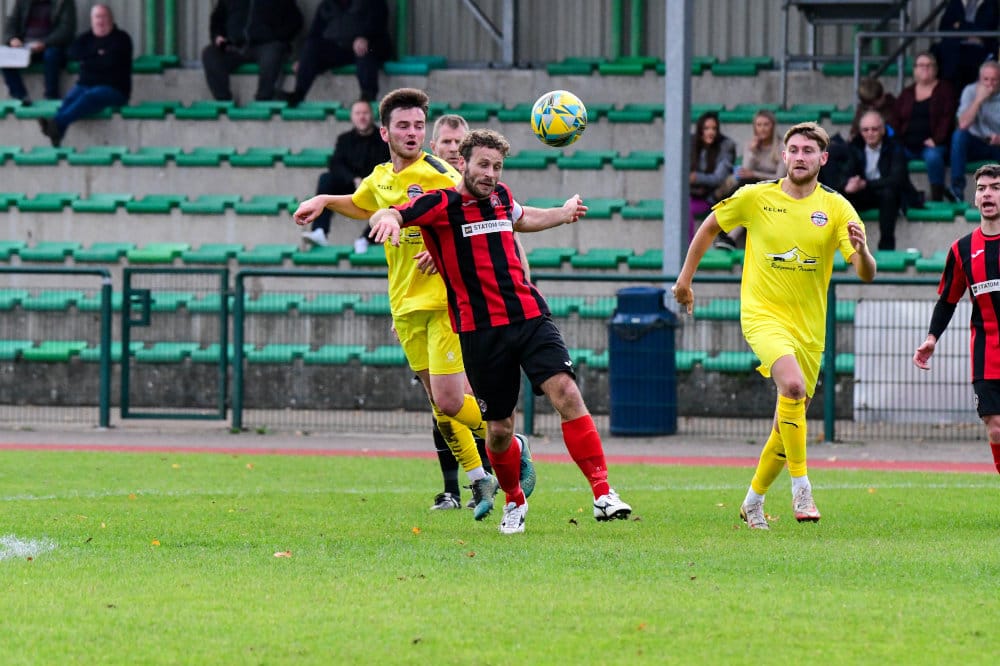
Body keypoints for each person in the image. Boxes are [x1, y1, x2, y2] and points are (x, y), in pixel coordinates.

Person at [369, 129, 634, 535]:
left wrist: (563, 213)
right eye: (483, 165)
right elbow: (392, 213)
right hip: (480, 331)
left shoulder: (501, 197)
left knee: (566, 392)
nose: (491, 174)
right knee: (499, 430)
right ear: (463, 163)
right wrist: (386, 218)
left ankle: (603, 493)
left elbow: (524, 217)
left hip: (529, 316)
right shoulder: (440, 203)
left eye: (497, 166)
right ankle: (514, 498)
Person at [292, 88, 534, 522]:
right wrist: (324, 200)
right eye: (403, 125)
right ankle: (478, 476)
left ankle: (510, 440)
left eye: (419, 125)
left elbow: (482, 214)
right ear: (385, 132)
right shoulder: (381, 176)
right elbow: (362, 204)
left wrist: (445, 249)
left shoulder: (440, 173)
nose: (413, 133)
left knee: (449, 398)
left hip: (443, 301)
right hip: (403, 304)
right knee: (438, 403)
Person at [672, 122, 877, 530]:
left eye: (808, 151)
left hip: (809, 328)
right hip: (762, 315)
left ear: (823, 158)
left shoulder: (837, 208)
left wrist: (863, 251)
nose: (800, 156)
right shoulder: (756, 196)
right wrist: (684, 280)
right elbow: (710, 227)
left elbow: (865, 272)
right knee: (794, 388)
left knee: (787, 423)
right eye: (793, 150)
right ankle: (802, 488)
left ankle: (753, 502)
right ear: (783, 156)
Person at [914, 163, 1000, 477]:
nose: (988, 194)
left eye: (996, 188)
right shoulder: (962, 249)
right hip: (986, 353)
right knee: (995, 427)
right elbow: (948, 300)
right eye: (982, 189)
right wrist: (931, 338)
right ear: (974, 199)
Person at [37, 3, 130, 148]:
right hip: (85, 85)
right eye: (97, 17)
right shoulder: (86, 38)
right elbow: (72, 53)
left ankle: (56, 125)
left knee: (90, 96)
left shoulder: (121, 39)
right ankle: (57, 133)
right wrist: (96, 54)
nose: (100, 21)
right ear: (92, 20)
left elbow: (109, 63)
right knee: (70, 98)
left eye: (104, 17)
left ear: (111, 19)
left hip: (114, 89)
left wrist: (88, 59)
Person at [301, 99, 390, 249]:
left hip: (374, 188)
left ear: (372, 115)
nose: (362, 117)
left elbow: (387, 166)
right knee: (326, 179)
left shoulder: (384, 140)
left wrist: (367, 182)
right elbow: (335, 164)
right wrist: (353, 179)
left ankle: (366, 239)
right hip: (350, 187)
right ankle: (320, 231)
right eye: (358, 113)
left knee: (391, 191)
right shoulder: (344, 139)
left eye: (365, 113)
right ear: (352, 117)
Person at [279, 0, 392, 107]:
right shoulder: (326, 5)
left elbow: (379, 24)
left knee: (365, 51)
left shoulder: (372, 2)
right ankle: (298, 94)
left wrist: (365, 38)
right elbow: (314, 35)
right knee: (312, 47)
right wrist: (303, 60)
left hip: (369, 47)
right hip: (338, 50)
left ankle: (367, 96)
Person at [202, 0, 303, 102]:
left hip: (266, 45)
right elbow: (217, 19)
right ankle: (224, 101)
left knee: (272, 53)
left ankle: (264, 98)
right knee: (210, 53)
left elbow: (295, 21)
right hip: (233, 46)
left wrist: (276, 37)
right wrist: (218, 36)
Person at [716, 108, 787, 250]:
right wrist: (752, 152)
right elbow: (745, 171)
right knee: (748, 191)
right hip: (752, 189)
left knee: (749, 192)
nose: (762, 129)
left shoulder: (782, 146)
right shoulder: (750, 145)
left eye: (766, 124)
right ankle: (729, 237)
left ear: (773, 126)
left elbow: (780, 178)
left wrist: (755, 174)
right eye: (759, 125)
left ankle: (729, 235)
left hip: (775, 189)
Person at [842, 110, 912, 251]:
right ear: (860, 132)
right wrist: (849, 184)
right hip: (864, 192)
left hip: (887, 194)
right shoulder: (854, 147)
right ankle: (847, 247)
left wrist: (866, 184)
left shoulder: (895, 147)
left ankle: (886, 247)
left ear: (883, 130)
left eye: (874, 129)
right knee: (841, 197)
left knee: (889, 194)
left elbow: (897, 179)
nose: (870, 133)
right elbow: (846, 172)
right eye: (866, 130)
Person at [894, 51, 958, 202]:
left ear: (936, 69)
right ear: (914, 70)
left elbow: (948, 118)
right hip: (908, 144)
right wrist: (898, 140)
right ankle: (906, 196)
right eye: (921, 65)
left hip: (933, 144)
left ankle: (937, 197)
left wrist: (936, 139)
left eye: (929, 65)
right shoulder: (907, 93)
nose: (925, 68)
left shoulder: (945, 90)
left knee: (933, 157)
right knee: (894, 156)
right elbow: (896, 118)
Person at [2, 0, 76, 104]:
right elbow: (12, 24)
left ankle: (51, 96)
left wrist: (44, 43)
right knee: (4, 58)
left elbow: (66, 30)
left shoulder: (63, 2)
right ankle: (21, 97)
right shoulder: (22, 2)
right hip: (25, 46)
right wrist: (12, 39)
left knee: (51, 55)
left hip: (52, 45)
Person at [949, 61, 1000, 202]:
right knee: (959, 136)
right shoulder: (970, 91)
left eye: (994, 80)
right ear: (979, 79)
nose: (990, 84)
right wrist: (978, 100)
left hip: (997, 144)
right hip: (976, 143)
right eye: (986, 79)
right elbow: (963, 124)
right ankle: (956, 191)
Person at [931, 0, 999, 95]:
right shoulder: (956, 2)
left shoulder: (991, 3)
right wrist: (968, 34)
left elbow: (986, 28)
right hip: (955, 47)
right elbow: (943, 27)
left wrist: (959, 25)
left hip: (980, 49)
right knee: (939, 53)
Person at [689, 111, 736, 244]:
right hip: (692, 194)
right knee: (681, 205)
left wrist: (696, 177)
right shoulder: (692, 145)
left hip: (714, 196)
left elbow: (719, 178)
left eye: (714, 129)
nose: (711, 132)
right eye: (706, 128)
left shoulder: (725, 146)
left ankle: (691, 247)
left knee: (686, 208)